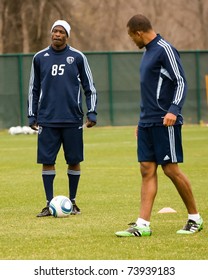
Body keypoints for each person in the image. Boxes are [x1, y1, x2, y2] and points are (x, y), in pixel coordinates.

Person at [115, 14, 203, 236]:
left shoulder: (165, 49)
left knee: (170, 169)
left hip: (166, 120)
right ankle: (142, 225)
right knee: (146, 169)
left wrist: (174, 109)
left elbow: (181, 81)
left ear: (138, 32)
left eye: (131, 36)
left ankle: (195, 218)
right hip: (147, 121)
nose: (132, 41)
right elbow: (149, 91)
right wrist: (141, 120)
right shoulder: (147, 53)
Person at [28, 20, 97, 217]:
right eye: (55, 31)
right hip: (47, 119)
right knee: (47, 160)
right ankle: (49, 204)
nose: (57, 34)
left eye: (61, 32)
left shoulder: (77, 57)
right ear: (51, 34)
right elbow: (33, 89)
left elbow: (89, 87)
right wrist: (32, 114)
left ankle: (73, 202)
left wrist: (92, 112)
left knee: (74, 160)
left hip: (72, 118)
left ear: (67, 35)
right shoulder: (40, 57)